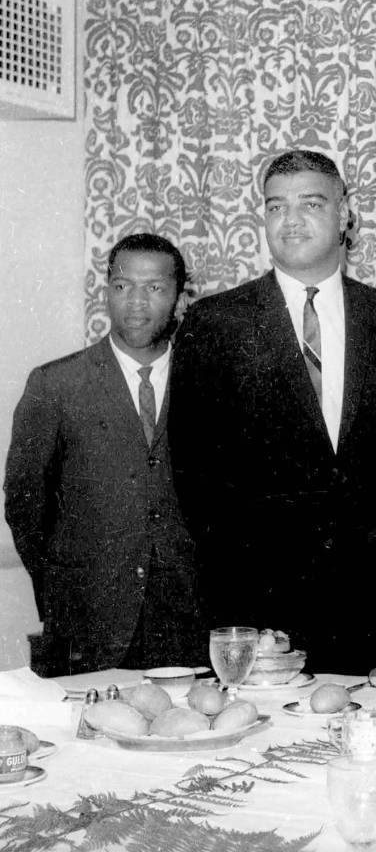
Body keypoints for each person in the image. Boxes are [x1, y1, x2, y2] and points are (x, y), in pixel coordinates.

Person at [170, 149, 376, 672]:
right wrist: (235, 605)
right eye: (276, 206)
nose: (291, 220)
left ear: (344, 213)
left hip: (369, 608)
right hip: (258, 610)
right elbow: (195, 480)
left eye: (311, 203)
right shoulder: (215, 323)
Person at [4, 233, 205, 675]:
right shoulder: (55, 385)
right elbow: (24, 503)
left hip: (190, 628)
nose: (136, 302)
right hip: (87, 628)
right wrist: (63, 588)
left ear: (180, 298)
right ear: (107, 293)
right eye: (122, 286)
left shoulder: (208, 380)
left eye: (154, 287)